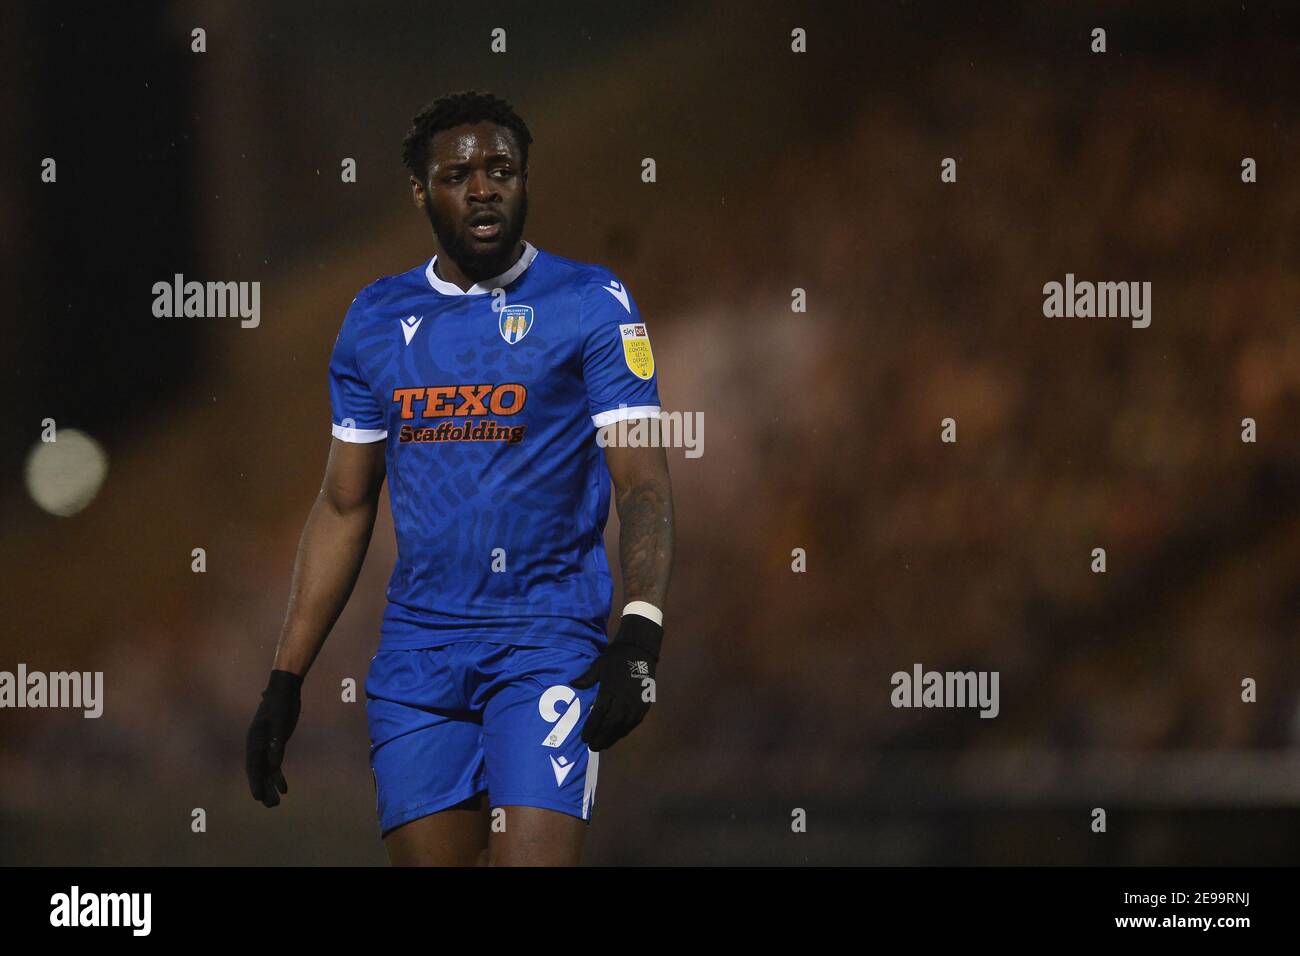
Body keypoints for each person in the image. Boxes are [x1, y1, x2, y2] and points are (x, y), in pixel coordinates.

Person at [245, 90, 675, 866]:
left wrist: (640, 627)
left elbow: (642, 480)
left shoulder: (591, 304)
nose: (483, 186)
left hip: (547, 646)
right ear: (421, 190)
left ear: (524, 178)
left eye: (501, 168)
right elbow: (345, 505)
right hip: (419, 663)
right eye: (459, 173)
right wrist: (286, 677)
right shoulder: (375, 319)